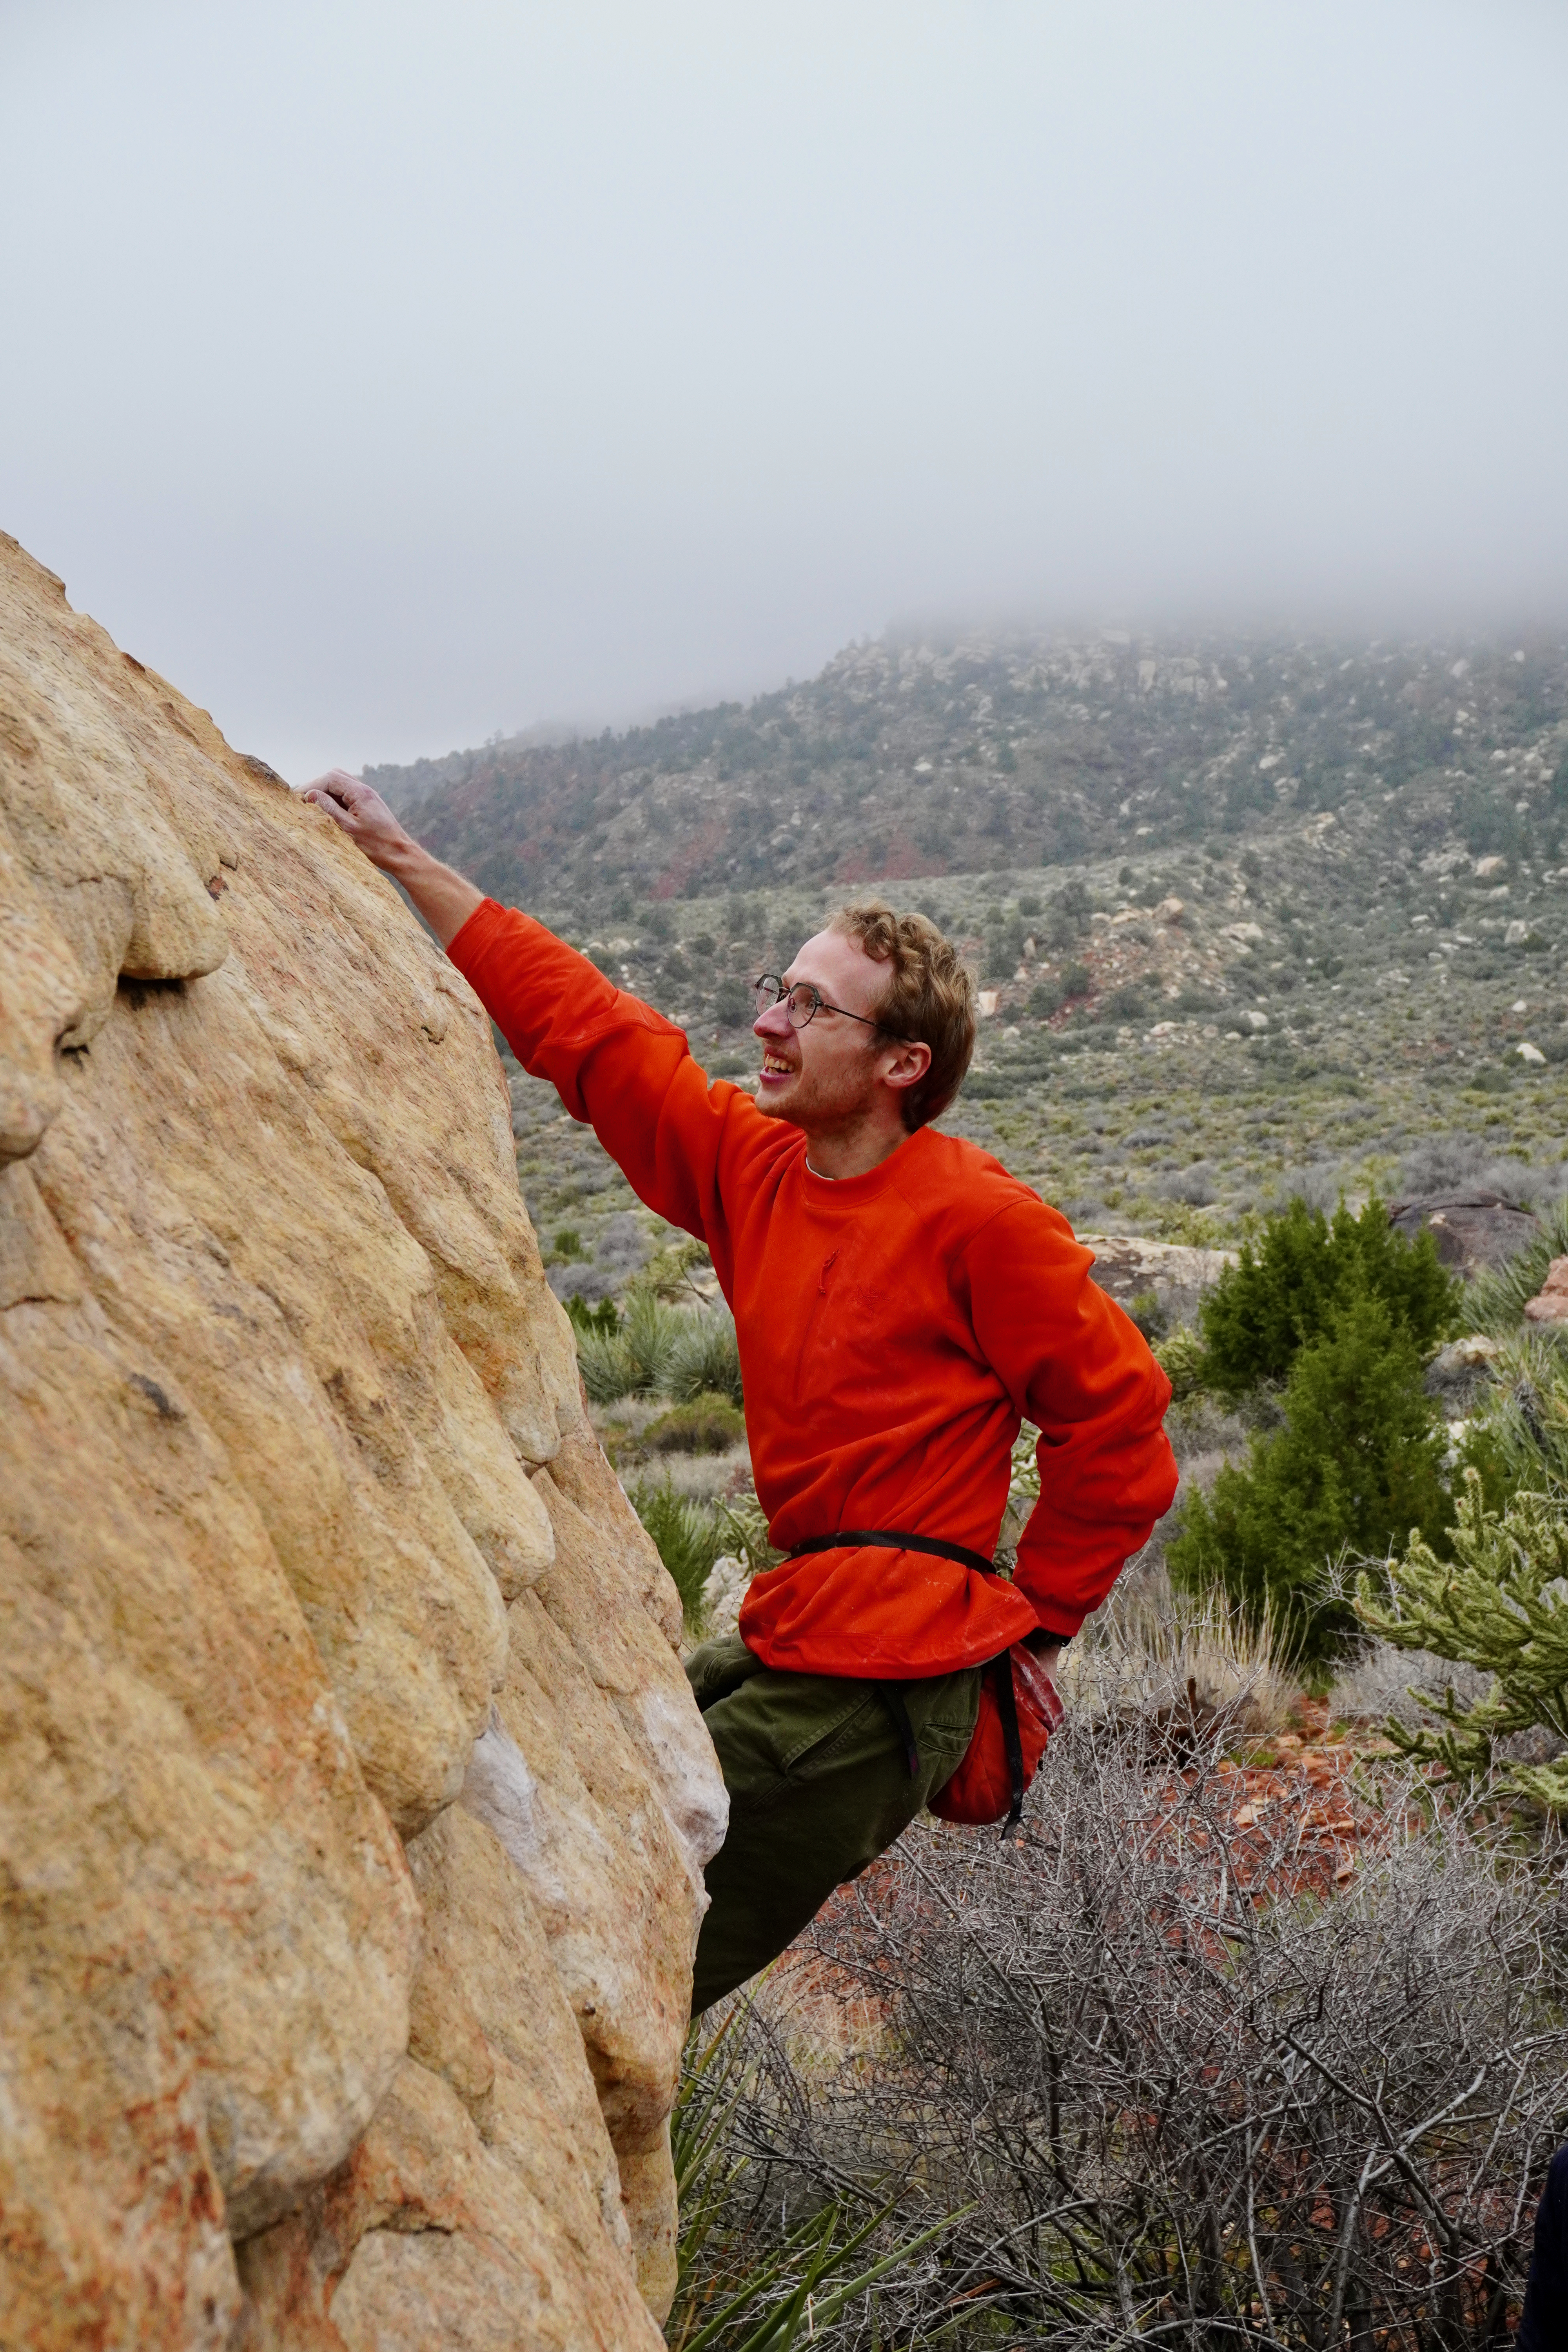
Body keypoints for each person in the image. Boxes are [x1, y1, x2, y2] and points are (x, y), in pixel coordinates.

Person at [303, 771, 1178, 2014]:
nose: (768, 1022)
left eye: (813, 1007)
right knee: (597, 1801)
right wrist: (404, 857)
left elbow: (1124, 1430)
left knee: (623, 1939)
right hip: (802, 1625)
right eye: (779, 989)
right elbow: (596, 1035)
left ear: (899, 1063)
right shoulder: (754, 1166)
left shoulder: (981, 1220)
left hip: (889, 1667)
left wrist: (1029, 1625)